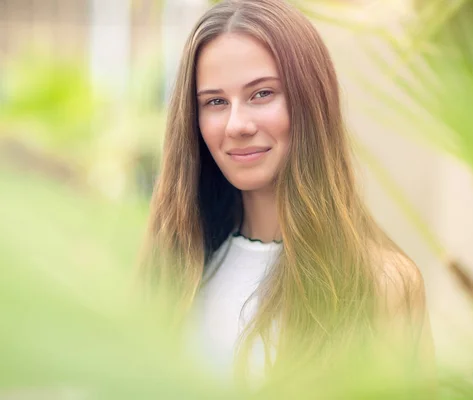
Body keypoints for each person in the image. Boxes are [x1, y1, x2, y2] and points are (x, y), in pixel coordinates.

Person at [141, 0, 434, 389]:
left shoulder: (382, 284)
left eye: (261, 94)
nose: (237, 124)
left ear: (311, 101)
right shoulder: (175, 271)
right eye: (215, 102)